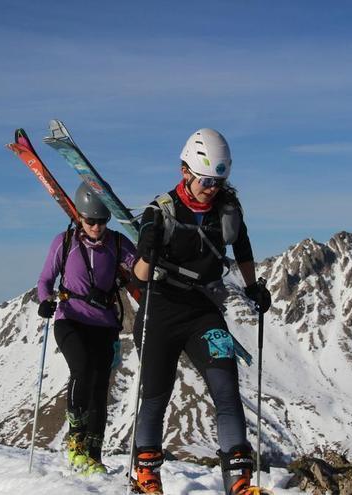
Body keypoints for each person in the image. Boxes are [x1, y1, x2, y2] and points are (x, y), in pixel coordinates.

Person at [130, 129, 272, 495]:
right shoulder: (159, 212)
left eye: (219, 181)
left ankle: (239, 482)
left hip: (203, 309)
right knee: (156, 394)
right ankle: (146, 475)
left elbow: (242, 249)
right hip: (160, 307)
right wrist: (147, 251)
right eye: (206, 180)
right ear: (185, 172)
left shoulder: (228, 210)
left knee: (226, 387)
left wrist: (253, 287)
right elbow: (140, 277)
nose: (212, 188)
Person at [36, 183, 136, 475]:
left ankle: (93, 455)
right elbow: (45, 280)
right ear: (79, 216)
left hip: (104, 325)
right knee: (82, 369)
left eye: (102, 221)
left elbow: (140, 267)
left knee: (99, 388)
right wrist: (45, 302)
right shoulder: (64, 242)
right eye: (90, 220)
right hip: (70, 319)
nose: (96, 226)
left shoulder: (117, 244)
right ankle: (75, 442)